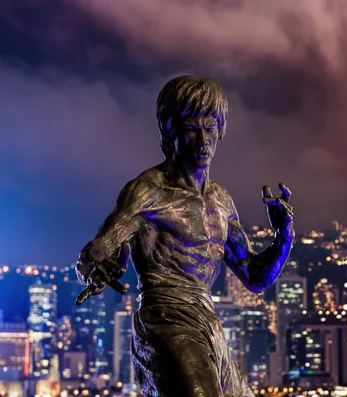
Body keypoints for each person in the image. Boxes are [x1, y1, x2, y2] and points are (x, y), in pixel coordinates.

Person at [74, 76, 295, 397]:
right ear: (170, 131)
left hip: (209, 327)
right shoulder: (148, 191)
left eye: (210, 128)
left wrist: (283, 238)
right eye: (192, 128)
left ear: (221, 130)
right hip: (165, 322)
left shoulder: (221, 200)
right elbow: (99, 248)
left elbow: (255, 277)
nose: (203, 140)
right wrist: (93, 265)